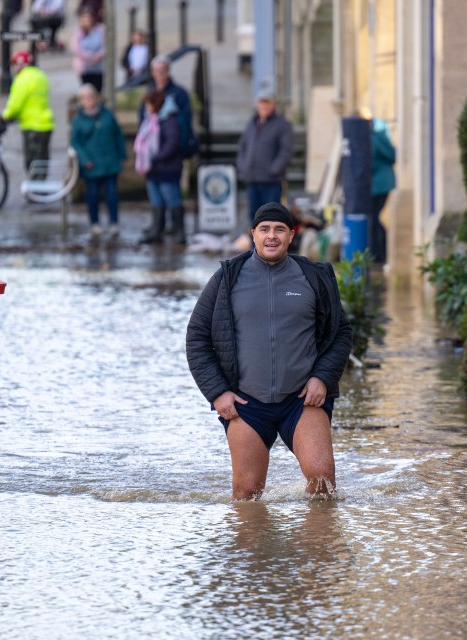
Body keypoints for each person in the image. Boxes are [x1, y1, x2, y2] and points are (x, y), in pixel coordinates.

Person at [185, 202, 353, 501]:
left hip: (301, 400)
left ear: (292, 234)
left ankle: (314, 547)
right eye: (264, 230)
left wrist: (322, 379)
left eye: (279, 230)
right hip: (246, 404)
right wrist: (217, 392)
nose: (271, 236)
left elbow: (340, 332)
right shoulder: (227, 278)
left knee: (322, 478)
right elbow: (197, 338)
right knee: (247, 493)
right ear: (253, 235)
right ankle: (254, 549)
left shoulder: (315, 276)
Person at [70, 83, 125, 239]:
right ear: (80, 101)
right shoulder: (78, 120)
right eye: (85, 97)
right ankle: (95, 223)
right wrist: (85, 160)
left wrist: (122, 156)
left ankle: (114, 222)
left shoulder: (107, 114)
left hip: (109, 161)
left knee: (112, 194)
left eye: (91, 96)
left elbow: (118, 135)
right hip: (91, 164)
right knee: (92, 195)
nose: (89, 100)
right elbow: (75, 142)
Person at [135, 90, 185, 245]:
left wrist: (157, 157)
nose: (146, 107)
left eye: (148, 104)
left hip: (167, 169)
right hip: (153, 169)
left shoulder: (169, 119)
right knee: (157, 201)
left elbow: (172, 142)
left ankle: (180, 232)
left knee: (173, 200)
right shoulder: (150, 119)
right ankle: (157, 230)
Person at [236, 90, 293, 224]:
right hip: (252, 179)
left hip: (271, 181)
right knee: (254, 218)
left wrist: (274, 169)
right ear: (257, 104)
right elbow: (243, 147)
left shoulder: (282, 124)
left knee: (271, 218)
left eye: (267, 102)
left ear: (274, 104)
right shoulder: (252, 123)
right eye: (262, 102)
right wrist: (243, 166)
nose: (264, 105)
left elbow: (286, 151)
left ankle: (271, 245)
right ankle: (255, 244)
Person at [2, 50, 54, 180]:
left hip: (32, 125)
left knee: (32, 160)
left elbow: (15, 105)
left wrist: (5, 116)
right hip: (46, 123)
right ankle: (42, 186)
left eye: (15, 64)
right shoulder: (40, 75)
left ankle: (36, 189)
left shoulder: (22, 79)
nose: (13, 68)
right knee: (42, 158)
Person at [370, 115, 396, 264]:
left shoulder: (376, 137)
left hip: (380, 185)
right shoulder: (374, 136)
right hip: (377, 184)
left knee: (374, 219)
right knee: (374, 219)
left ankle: (379, 254)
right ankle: (378, 253)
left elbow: (392, 155)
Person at [70, 7, 104, 91]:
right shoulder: (79, 31)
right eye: (85, 18)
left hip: (98, 65)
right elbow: (75, 48)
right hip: (84, 66)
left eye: (89, 17)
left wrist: (97, 56)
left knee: (97, 89)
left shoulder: (100, 29)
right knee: (86, 89)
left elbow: (105, 45)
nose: (87, 20)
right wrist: (89, 56)